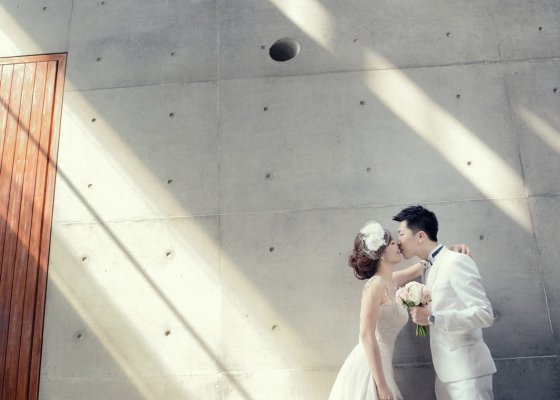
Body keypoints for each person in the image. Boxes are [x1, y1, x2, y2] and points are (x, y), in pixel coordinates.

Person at [329, 220, 469, 400]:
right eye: (392, 243)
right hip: (369, 366)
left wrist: (449, 250)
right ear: (380, 254)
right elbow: (366, 334)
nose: (398, 244)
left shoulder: (391, 281)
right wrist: (381, 386)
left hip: (384, 365)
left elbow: (424, 264)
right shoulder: (375, 285)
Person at [393, 205, 496, 400]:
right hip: (444, 374)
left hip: (467, 372)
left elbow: (485, 314)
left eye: (401, 234)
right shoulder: (427, 267)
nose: (398, 241)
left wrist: (433, 318)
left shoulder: (456, 261)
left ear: (420, 236)